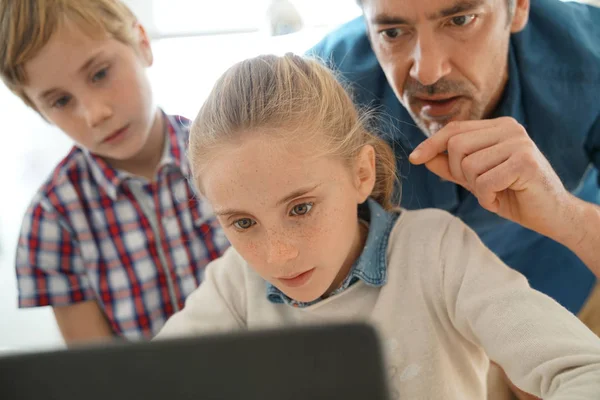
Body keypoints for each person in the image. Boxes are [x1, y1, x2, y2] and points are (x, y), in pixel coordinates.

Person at [155, 53, 600, 399]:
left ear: (361, 174)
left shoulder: (436, 252)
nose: (277, 255)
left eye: (301, 208)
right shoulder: (236, 281)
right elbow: (147, 383)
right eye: (244, 222)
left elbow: (584, 371)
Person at [308, 0, 600, 340]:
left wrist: (564, 214)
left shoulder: (591, 60)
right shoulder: (321, 91)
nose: (428, 72)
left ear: (519, 7)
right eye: (392, 32)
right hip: (420, 326)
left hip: (570, 285)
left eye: (460, 20)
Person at [0, 0, 229, 344]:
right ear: (40, 111)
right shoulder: (52, 220)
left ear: (142, 44)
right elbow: (101, 374)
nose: (95, 114)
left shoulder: (230, 157)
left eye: (100, 74)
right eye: (61, 101)